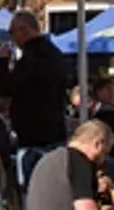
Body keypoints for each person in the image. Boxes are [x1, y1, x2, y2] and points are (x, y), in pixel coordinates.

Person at [5, 12, 69, 187]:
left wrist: (2, 64)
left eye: (12, 32)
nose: (11, 38)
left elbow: (6, 90)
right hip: (55, 132)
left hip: (32, 139)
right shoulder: (56, 55)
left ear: (24, 30)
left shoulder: (30, 60)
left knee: (33, 192)